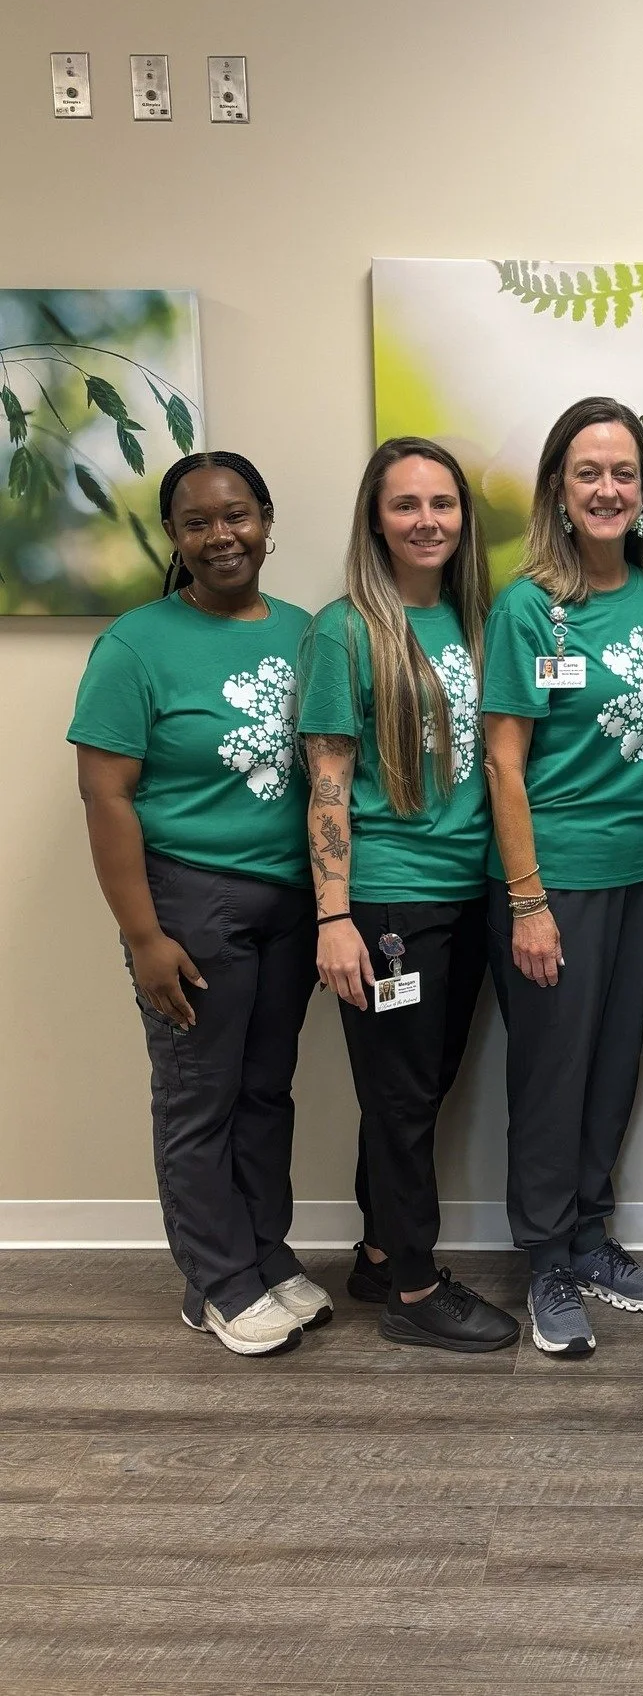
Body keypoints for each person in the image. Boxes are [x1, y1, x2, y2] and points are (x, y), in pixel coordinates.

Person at [69, 451, 327, 1356]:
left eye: (237, 515)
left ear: (266, 520)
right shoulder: (134, 645)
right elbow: (105, 797)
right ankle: (216, 1282)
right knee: (199, 1097)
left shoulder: (305, 633)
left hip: (289, 900)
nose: (222, 536)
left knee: (265, 1092)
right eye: (198, 522)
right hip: (189, 901)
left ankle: (263, 1253)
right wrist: (143, 935)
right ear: (175, 538)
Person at [298, 436, 519, 1355]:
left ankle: (382, 1252)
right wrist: (334, 917)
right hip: (388, 907)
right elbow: (326, 785)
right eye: (405, 505)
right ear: (376, 521)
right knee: (399, 1097)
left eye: (442, 503)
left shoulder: (477, 623)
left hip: (465, 897)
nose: (427, 521)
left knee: (419, 1088)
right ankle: (417, 1292)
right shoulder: (344, 631)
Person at [482, 398, 643, 1355]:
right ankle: (546, 1262)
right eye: (588, 474)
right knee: (551, 1077)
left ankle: (592, 1238)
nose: (608, 490)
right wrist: (528, 901)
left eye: (623, 474)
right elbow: (503, 763)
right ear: (558, 494)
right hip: (552, 881)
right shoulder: (528, 608)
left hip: (642, 881)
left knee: (611, 1070)